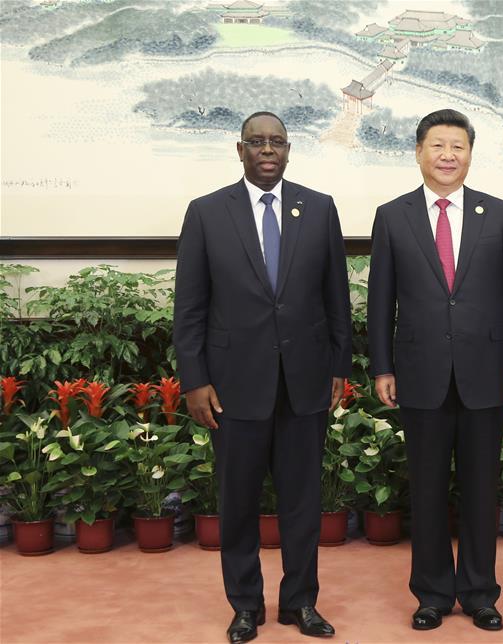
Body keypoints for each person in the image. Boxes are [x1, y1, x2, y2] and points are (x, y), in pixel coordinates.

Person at [174, 111, 351, 643]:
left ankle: (300, 603)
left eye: (276, 142)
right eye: (257, 142)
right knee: (238, 503)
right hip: (232, 386)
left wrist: (340, 367)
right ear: (240, 149)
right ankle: (245, 605)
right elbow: (190, 308)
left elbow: (336, 298)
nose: (267, 149)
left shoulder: (318, 209)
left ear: (289, 150)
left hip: (305, 382)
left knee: (302, 501)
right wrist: (194, 379)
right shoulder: (206, 213)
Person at [367, 108, 503, 632]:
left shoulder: (500, 213)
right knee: (427, 488)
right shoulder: (392, 216)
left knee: (483, 489)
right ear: (419, 152)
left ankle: (481, 593)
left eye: (457, 146)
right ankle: (433, 594)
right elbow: (380, 301)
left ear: (469, 153)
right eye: (437, 146)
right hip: (419, 372)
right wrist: (382, 366)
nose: (447, 155)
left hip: (486, 370)